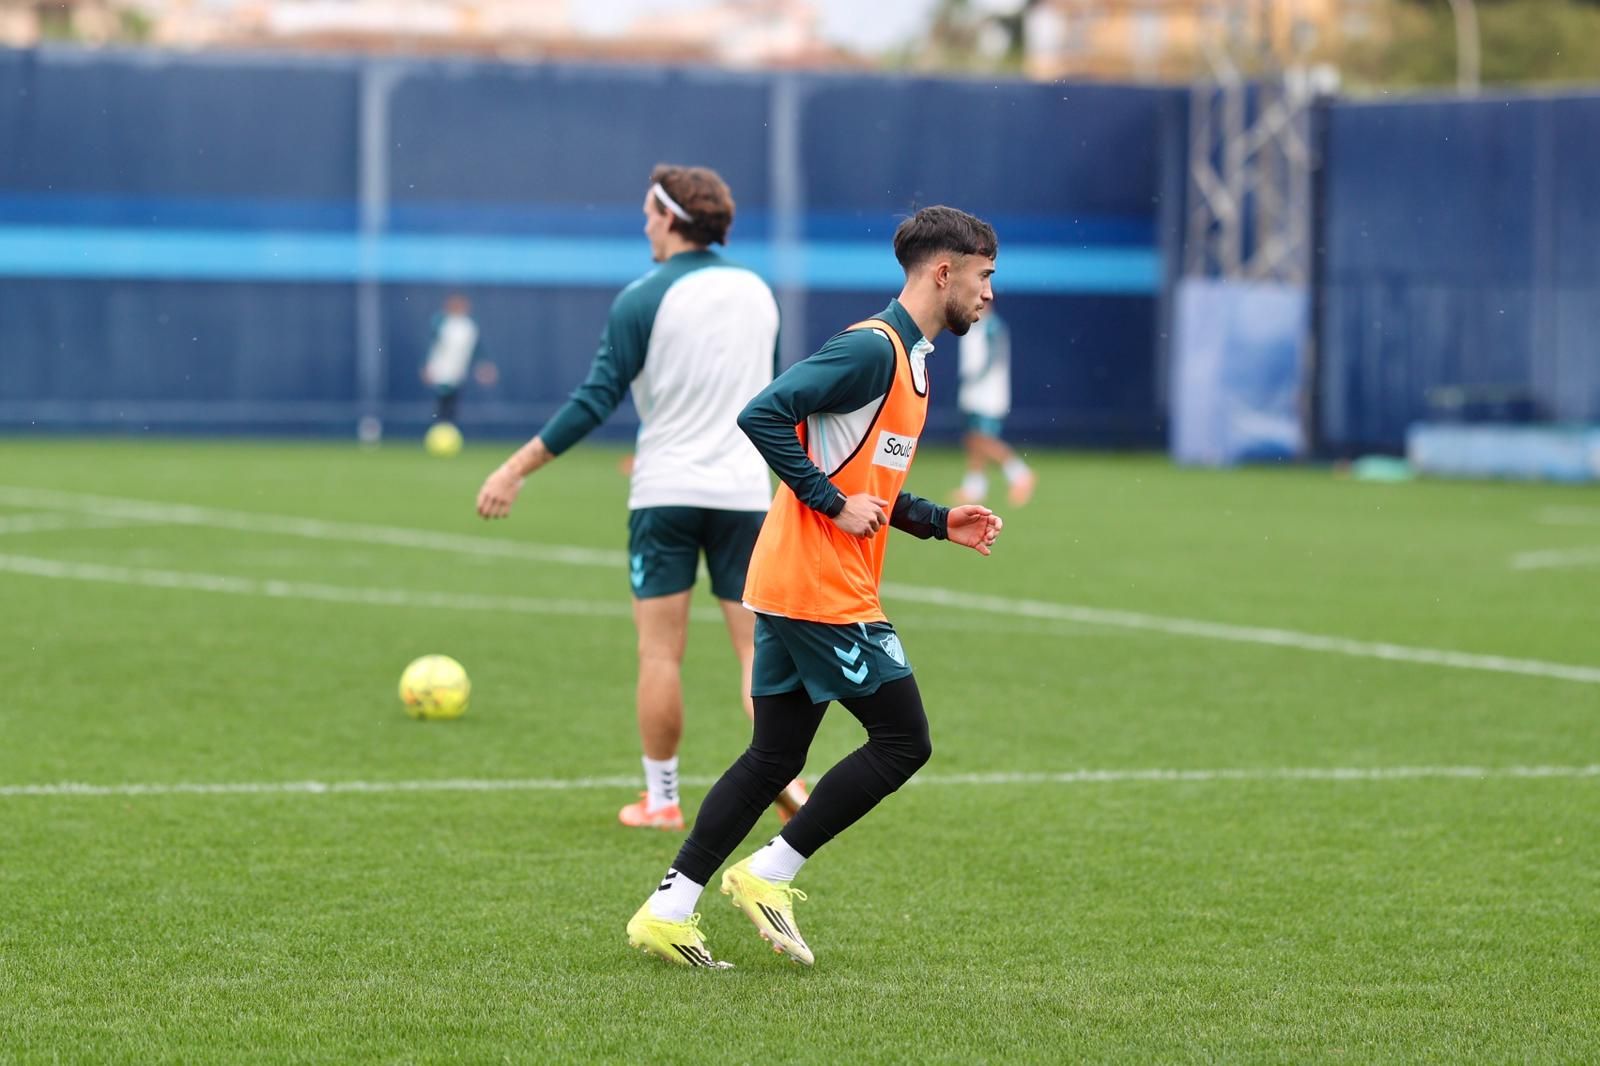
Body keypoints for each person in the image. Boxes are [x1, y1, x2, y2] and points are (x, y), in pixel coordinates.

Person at [625, 205, 1004, 968]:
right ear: (944, 272)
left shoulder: (912, 362)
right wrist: (830, 503)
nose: (989, 293)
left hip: (797, 580)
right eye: (984, 276)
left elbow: (866, 478)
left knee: (773, 757)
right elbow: (763, 414)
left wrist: (936, 520)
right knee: (904, 740)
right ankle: (769, 872)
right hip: (819, 585)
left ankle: (666, 911)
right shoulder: (872, 349)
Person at [475, 164, 808, 832]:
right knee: (756, 651)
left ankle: (661, 799)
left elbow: (595, 398)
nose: (645, 226)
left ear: (670, 219)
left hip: (665, 492)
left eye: (650, 215)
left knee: (660, 654)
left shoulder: (642, 297)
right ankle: (785, 773)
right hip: (744, 492)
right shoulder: (758, 293)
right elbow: (774, 395)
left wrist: (515, 468)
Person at [952, 310, 1036, 506]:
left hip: (988, 395)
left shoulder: (992, 327)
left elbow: (991, 358)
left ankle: (1021, 474)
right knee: (972, 439)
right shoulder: (973, 325)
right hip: (973, 393)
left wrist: (974, 379)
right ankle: (975, 488)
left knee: (983, 439)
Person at [422, 294, 481, 425]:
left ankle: (448, 427)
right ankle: (440, 426)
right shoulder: (442, 323)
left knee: (453, 402)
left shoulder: (469, 326)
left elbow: (476, 348)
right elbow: (432, 346)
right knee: (442, 401)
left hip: (458, 370)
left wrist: (482, 365)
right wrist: (427, 366)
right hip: (441, 369)